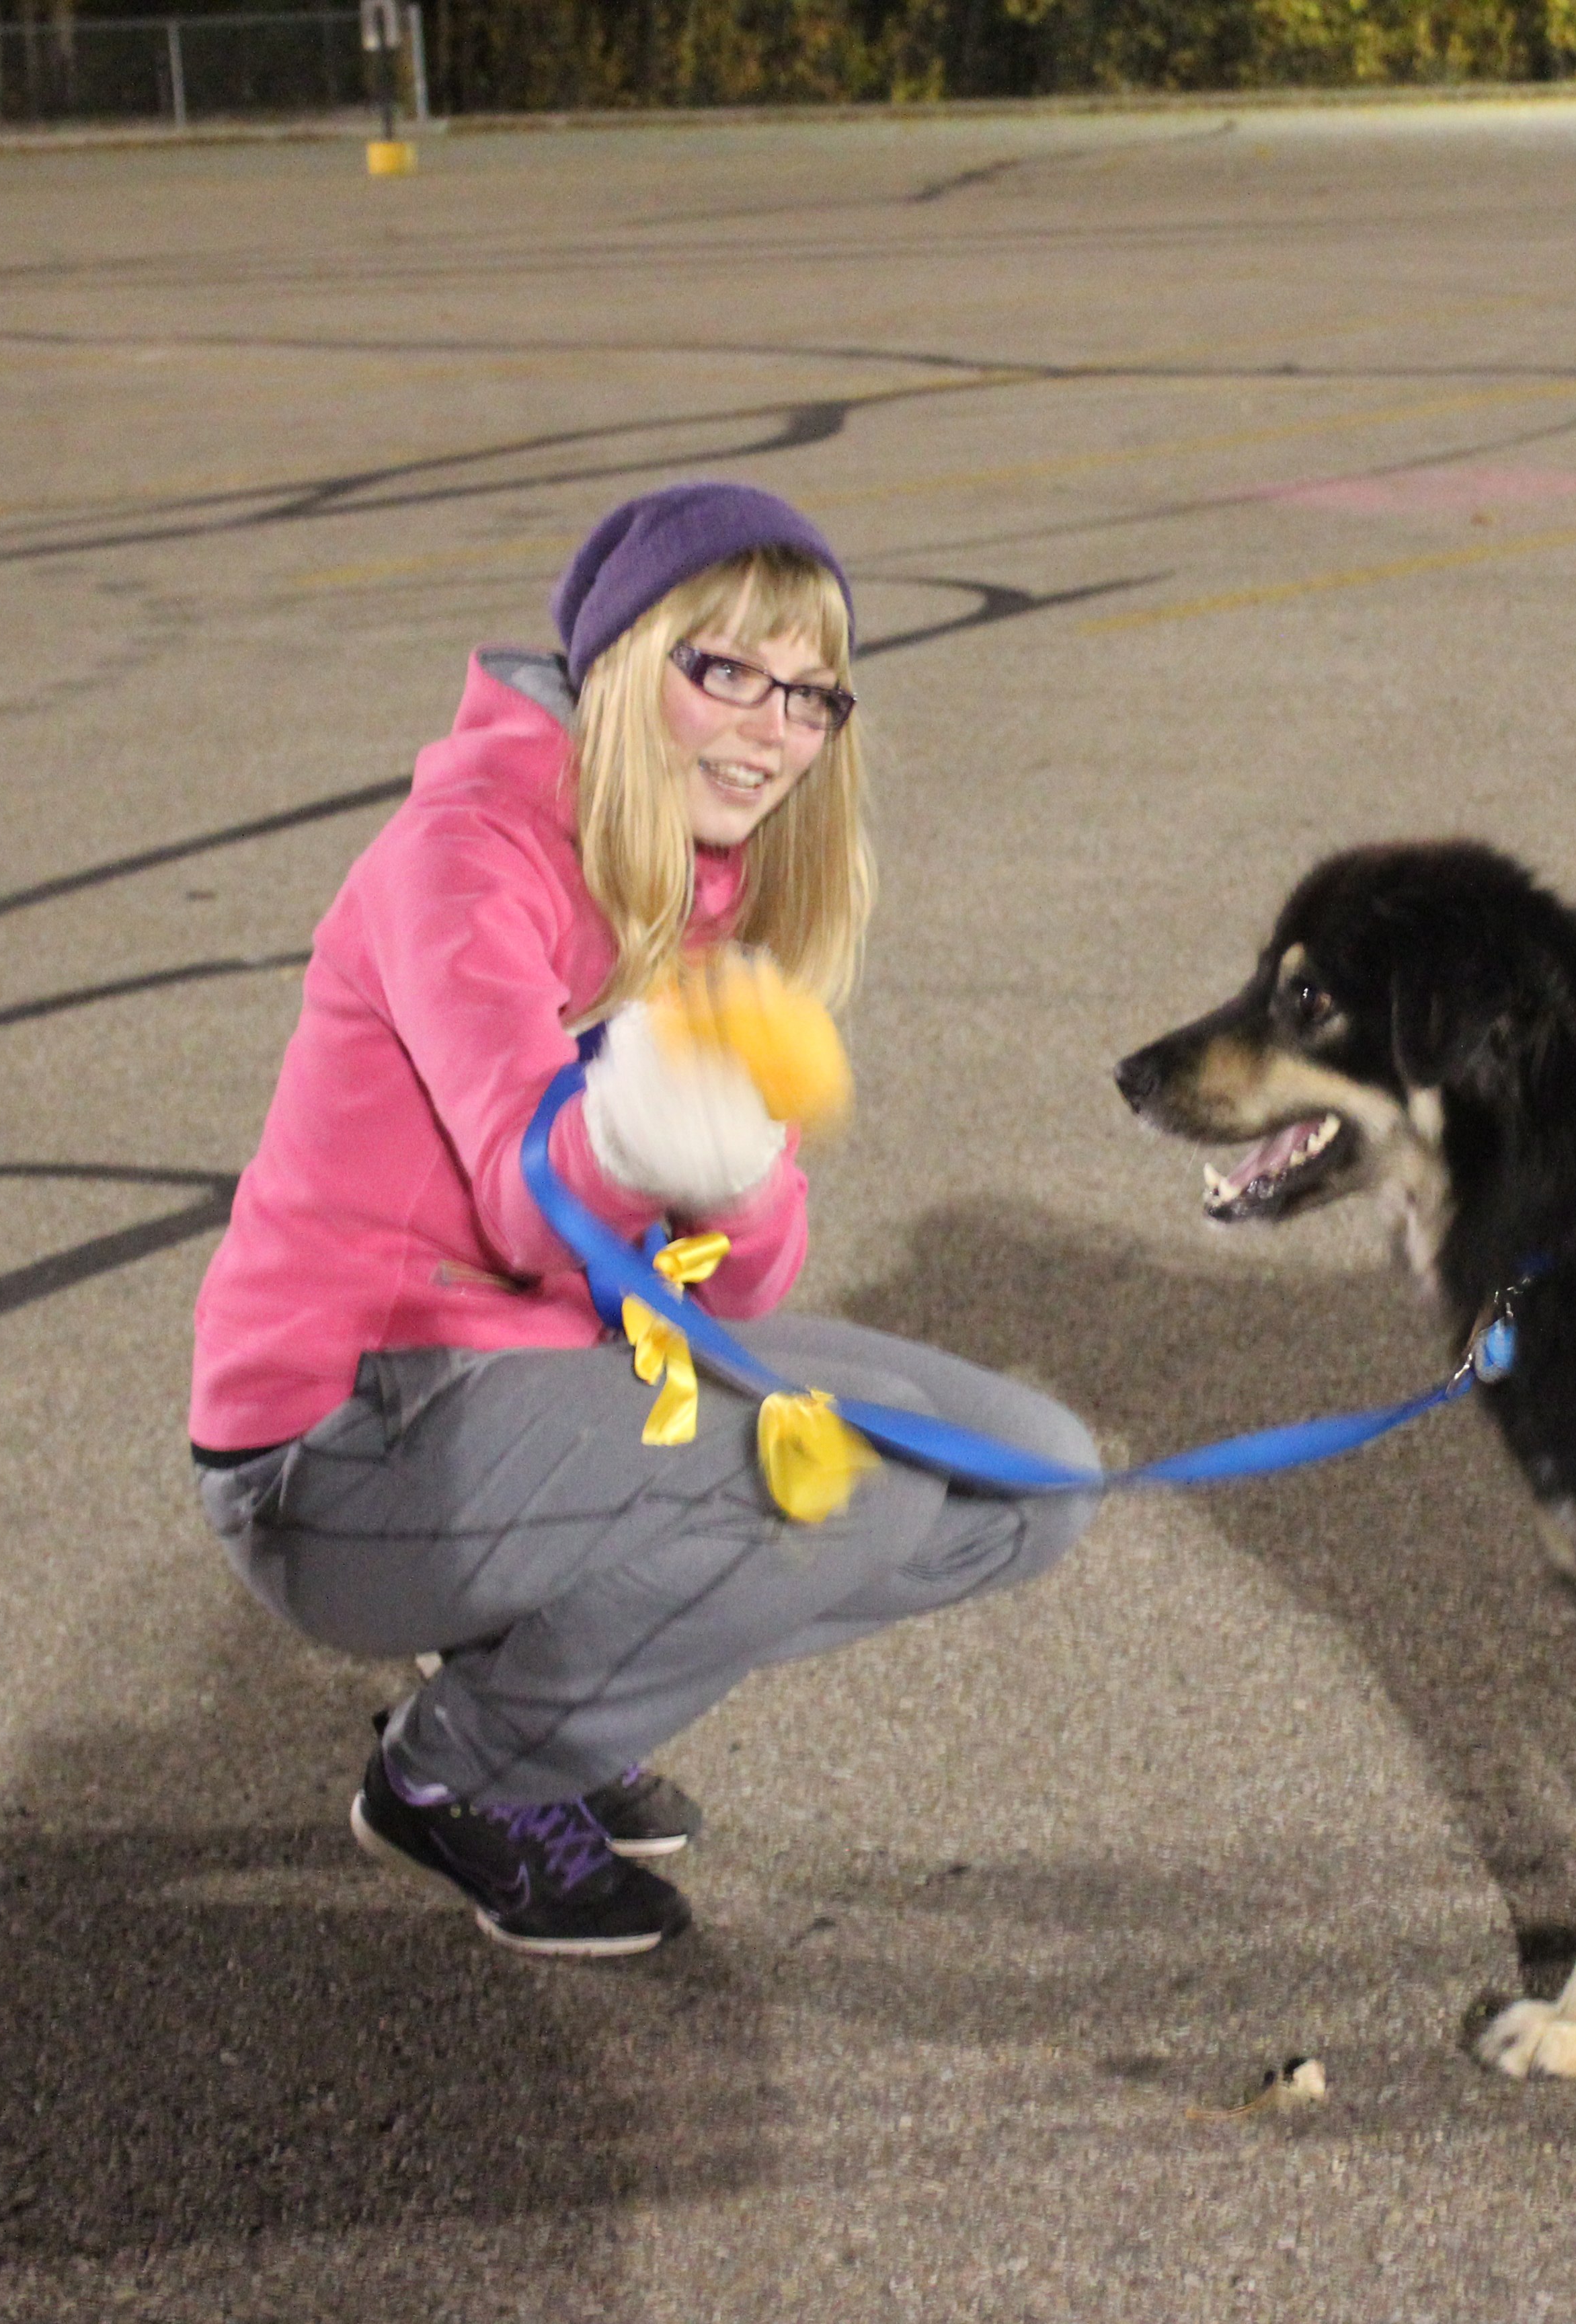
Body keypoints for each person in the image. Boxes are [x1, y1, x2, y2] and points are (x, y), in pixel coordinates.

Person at [188, 481, 1100, 1958]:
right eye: (725, 671)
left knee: (1034, 1482)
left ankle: (552, 1685)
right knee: (840, 1482)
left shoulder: (720, 906)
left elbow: (739, 1284)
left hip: (544, 1400)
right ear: (626, 663)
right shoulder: (464, 857)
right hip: (340, 1444)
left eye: (809, 695)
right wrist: (628, 1132)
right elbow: (522, 1183)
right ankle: (458, 1772)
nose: (770, 729)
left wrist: (737, 1179)